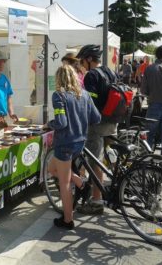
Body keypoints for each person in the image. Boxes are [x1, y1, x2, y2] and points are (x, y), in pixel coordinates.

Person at [47, 64, 101, 230]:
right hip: (80, 142)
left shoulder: (59, 96)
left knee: (63, 183)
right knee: (51, 169)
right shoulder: (84, 94)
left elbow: (61, 123)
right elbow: (97, 118)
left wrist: (49, 124)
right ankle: (81, 183)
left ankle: (68, 220)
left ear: (59, 79)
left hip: (64, 144)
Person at [76, 44, 118, 215]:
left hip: (98, 124)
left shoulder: (91, 76)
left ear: (88, 59)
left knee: (95, 162)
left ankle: (96, 201)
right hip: (113, 122)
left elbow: (90, 104)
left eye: (82, 60)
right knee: (112, 155)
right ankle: (122, 182)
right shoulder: (109, 71)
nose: (80, 64)